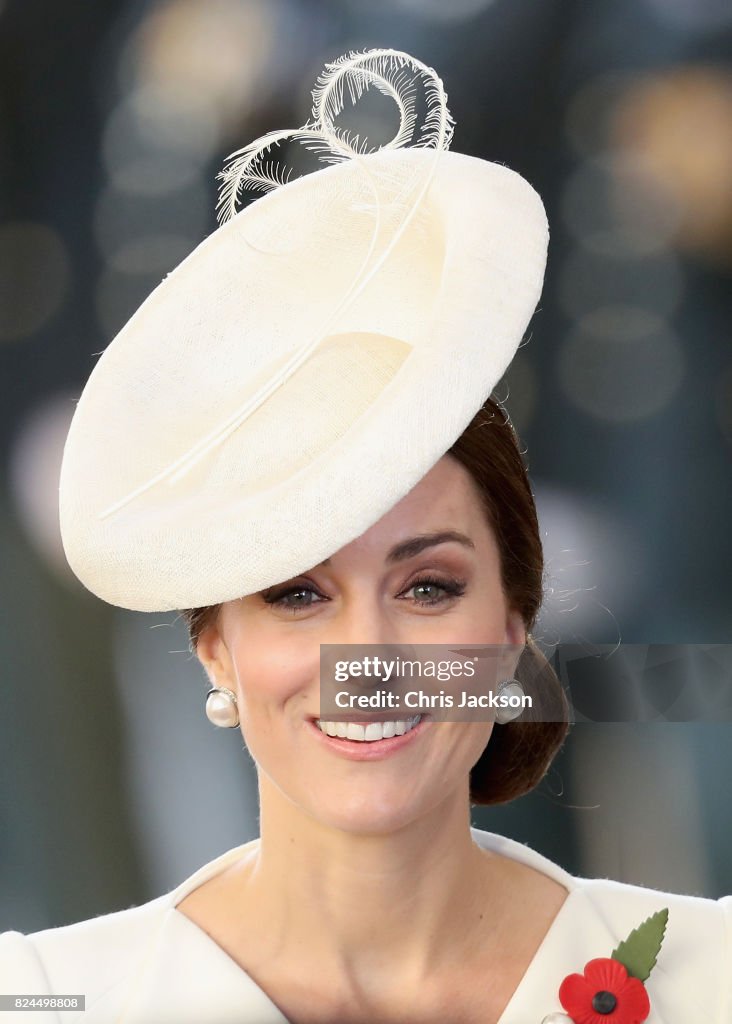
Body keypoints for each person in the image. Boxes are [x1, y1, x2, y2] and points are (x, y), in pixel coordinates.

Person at [1, 48, 729, 1024]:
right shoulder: (50, 998)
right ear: (213, 644)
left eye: (428, 586)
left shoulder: (703, 981)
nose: (370, 658)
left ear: (517, 621)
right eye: (296, 591)